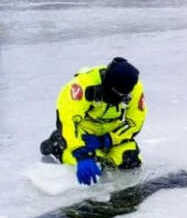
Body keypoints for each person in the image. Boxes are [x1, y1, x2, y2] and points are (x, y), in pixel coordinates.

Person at [40, 57, 147, 186]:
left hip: (111, 133)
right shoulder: (83, 86)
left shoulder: (133, 88)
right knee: (95, 166)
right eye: (117, 94)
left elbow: (134, 122)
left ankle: (102, 152)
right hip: (84, 132)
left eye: (123, 95)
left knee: (130, 160)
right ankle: (57, 143)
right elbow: (68, 121)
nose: (120, 99)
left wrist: (109, 139)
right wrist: (82, 154)